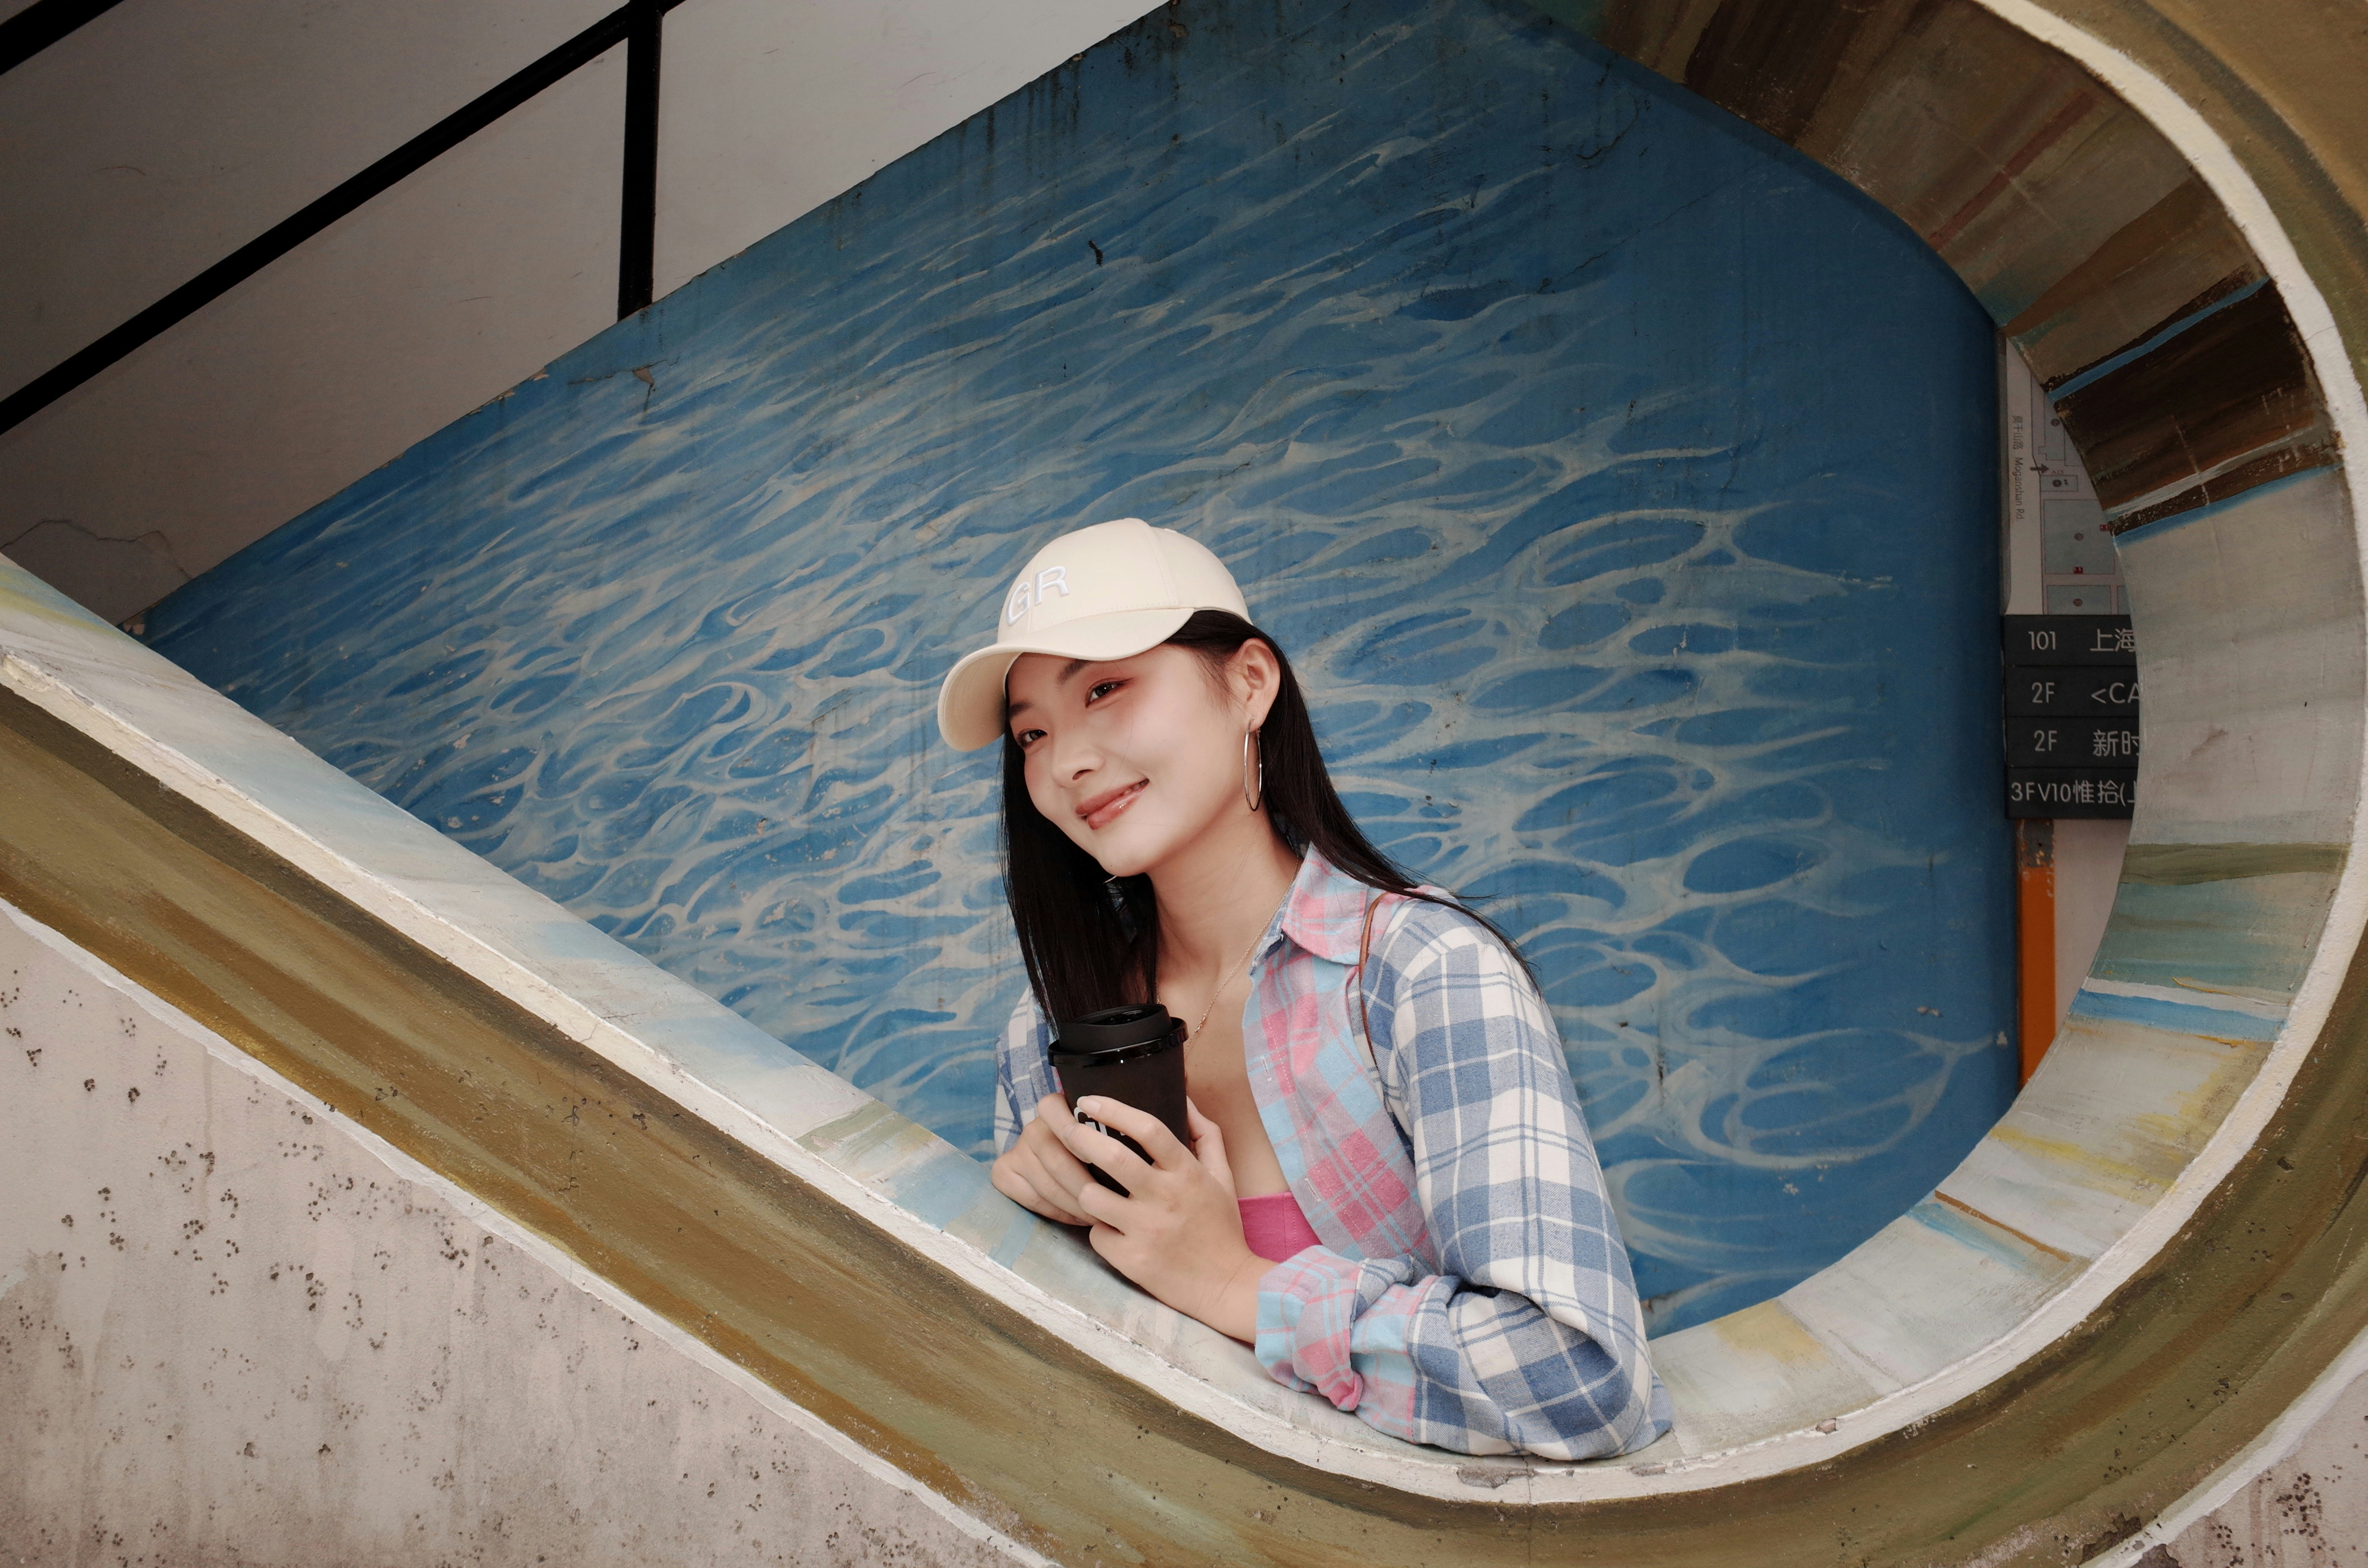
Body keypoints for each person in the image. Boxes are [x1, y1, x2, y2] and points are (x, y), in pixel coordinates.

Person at [936, 518, 1670, 1460]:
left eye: (1106, 688)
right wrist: (1031, 1238)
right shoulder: (1042, 1034)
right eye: (1031, 732)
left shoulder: (1419, 975)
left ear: (1248, 684)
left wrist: (1230, 1283)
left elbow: (1580, 1377)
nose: (1065, 760)